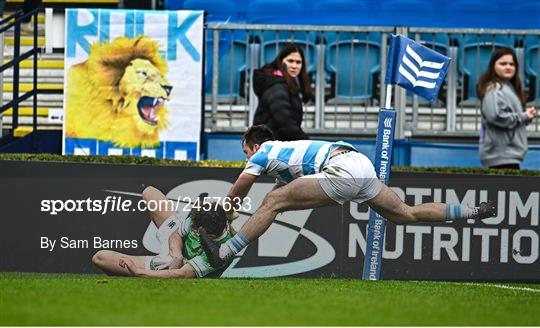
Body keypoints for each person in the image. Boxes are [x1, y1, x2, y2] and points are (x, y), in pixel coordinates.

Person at [198, 125, 497, 268]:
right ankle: (471, 210)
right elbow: (281, 199)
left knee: (272, 203)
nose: (247, 158)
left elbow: (241, 188)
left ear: (253, 145)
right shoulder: (288, 156)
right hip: (360, 164)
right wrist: (236, 221)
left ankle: (225, 255)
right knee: (405, 213)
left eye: (245, 151)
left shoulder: (262, 152)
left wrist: (227, 212)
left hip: (341, 169)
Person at [92, 187, 234, 278]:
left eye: (195, 231)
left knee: (100, 258)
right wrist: (176, 255)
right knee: (150, 192)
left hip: (181, 267)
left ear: (211, 235)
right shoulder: (203, 216)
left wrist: (137, 271)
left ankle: (147, 271)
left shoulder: (222, 252)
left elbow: (182, 274)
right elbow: (176, 235)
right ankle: (164, 259)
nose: (192, 229)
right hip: (174, 254)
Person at [476, 47, 536, 169]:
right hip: (500, 156)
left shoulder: (508, 87)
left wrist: (526, 116)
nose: (508, 67)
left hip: (508, 155)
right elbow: (496, 116)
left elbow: (510, 116)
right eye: (503, 64)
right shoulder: (494, 89)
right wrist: (523, 116)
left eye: (511, 64)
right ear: (493, 66)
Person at [252, 42, 312, 141]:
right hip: (270, 148)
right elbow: (286, 125)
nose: (294, 66)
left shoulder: (286, 84)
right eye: (290, 61)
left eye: (298, 62)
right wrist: (310, 145)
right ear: (281, 62)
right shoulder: (277, 87)